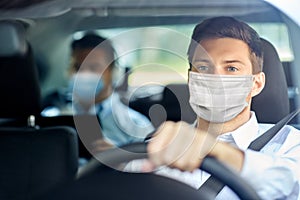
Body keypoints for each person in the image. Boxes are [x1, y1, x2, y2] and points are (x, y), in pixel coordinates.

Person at [127, 16, 300, 199]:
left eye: (231, 68)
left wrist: (218, 150)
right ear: (190, 79)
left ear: (256, 83)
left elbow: (292, 183)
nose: (216, 78)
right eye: (203, 67)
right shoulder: (151, 154)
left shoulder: (290, 145)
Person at [42, 33, 154, 148]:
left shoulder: (137, 126)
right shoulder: (51, 118)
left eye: (93, 68)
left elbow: (151, 164)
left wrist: (118, 159)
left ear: (113, 72)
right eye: (77, 67)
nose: (84, 75)